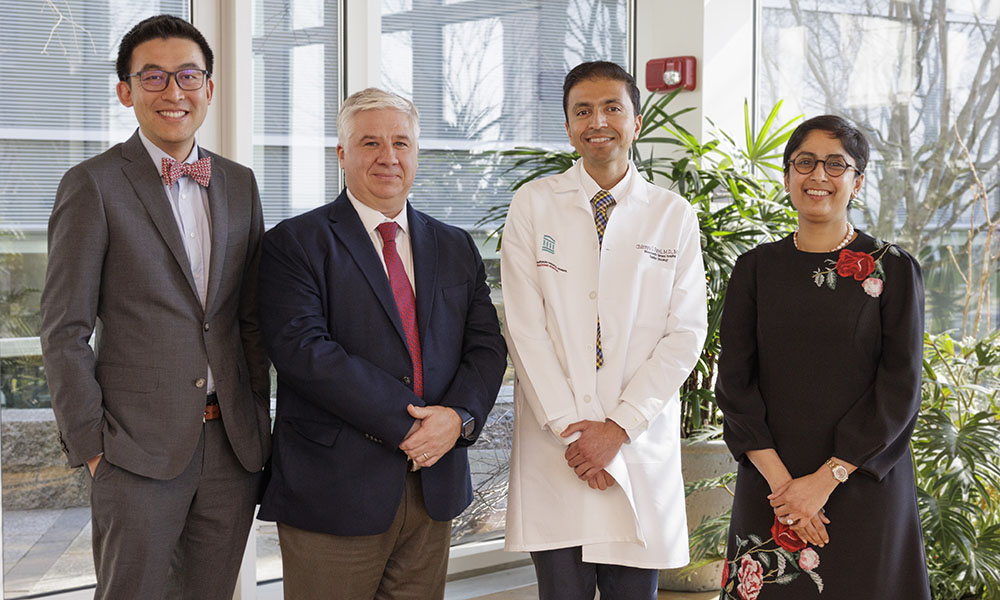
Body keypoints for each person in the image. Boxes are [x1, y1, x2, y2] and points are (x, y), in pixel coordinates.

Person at [39, 14, 272, 599]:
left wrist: (256, 426)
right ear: (126, 91)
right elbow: (64, 329)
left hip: (231, 450)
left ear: (209, 88)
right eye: (154, 77)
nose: (174, 91)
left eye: (188, 75)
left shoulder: (240, 184)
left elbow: (248, 321)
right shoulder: (92, 184)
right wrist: (93, 448)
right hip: (133, 453)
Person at [255, 87, 507, 599]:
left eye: (400, 142)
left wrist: (457, 418)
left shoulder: (455, 245)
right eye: (370, 143)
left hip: (434, 483)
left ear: (416, 152)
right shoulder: (294, 242)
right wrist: (411, 424)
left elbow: (486, 347)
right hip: (334, 489)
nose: (388, 156)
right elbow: (304, 351)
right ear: (342, 154)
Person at [500, 61, 708, 599]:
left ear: (636, 122)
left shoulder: (672, 215)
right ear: (569, 126)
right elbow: (524, 327)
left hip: (634, 446)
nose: (598, 122)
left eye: (612, 108)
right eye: (583, 111)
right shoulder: (534, 205)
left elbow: (685, 334)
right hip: (560, 450)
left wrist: (616, 428)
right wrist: (576, 432)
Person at [715, 115, 931, 598]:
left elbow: (900, 387)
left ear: (857, 181)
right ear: (786, 175)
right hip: (772, 483)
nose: (819, 176)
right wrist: (787, 491)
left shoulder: (893, 268)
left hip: (862, 480)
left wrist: (824, 481)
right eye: (805, 162)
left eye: (836, 164)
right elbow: (734, 382)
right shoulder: (754, 268)